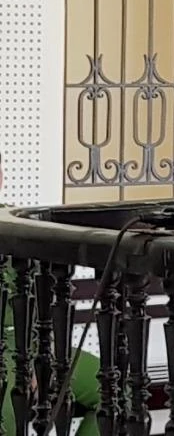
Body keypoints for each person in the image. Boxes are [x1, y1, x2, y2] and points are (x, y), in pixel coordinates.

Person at [0, 151, 102, 435]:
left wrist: (42, 354)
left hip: (34, 345)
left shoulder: (20, 224)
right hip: (6, 356)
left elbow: (46, 293)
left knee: (118, 389)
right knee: (8, 417)